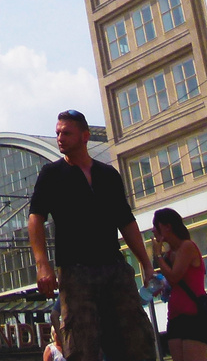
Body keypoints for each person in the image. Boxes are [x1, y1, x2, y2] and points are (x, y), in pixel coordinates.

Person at [27, 109, 155, 361]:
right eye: (57, 133)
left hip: (114, 266)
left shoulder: (108, 175)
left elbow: (126, 222)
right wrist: (43, 265)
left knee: (136, 339)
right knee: (82, 343)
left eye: (66, 132)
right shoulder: (51, 174)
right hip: (75, 271)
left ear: (85, 136)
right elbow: (35, 218)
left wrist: (146, 263)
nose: (60, 138)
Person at [152, 209, 207, 361]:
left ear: (167, 227)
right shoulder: (170, 254)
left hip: (193, 314)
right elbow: (167, 281)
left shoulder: (187, 247)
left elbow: (174, 277)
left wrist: (158, 255)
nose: (154, 230)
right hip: (175, 316)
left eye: (157, 226)